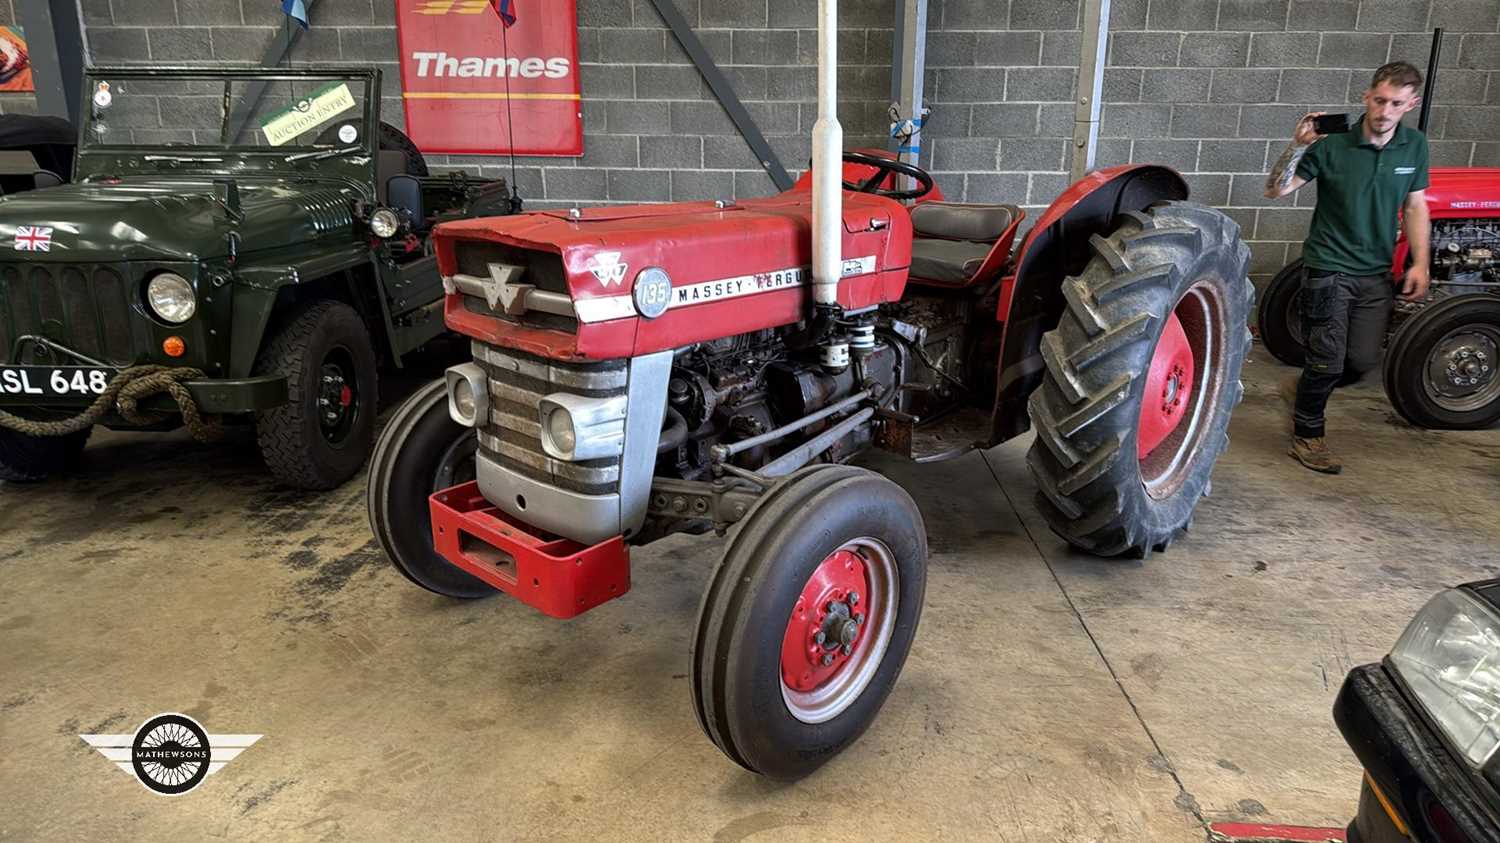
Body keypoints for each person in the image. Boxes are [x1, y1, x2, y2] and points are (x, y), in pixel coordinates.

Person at [1264, 61, 1431, 474]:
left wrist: (1420, 264)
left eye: (1395, 103)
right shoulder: (1331, 145)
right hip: (1328, 267)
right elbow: (1276, 190)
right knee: (1327, 361)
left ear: (1411, 104)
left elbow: (1415, 206)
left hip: (1376, 271)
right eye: (1378, 100)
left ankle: (1302, 392)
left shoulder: (1415, 146)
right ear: (1366, 97)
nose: (1384, 111)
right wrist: (1299, 144)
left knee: (1359, 362)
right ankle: (1308, 435)